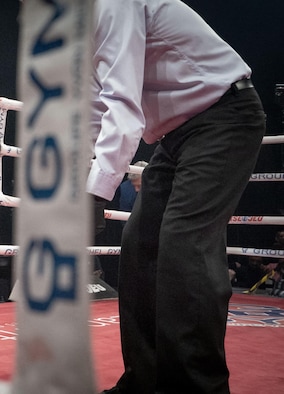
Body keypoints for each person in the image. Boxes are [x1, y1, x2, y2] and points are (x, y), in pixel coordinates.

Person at [88, 1, 267, 393]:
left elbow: (121, 104)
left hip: (223, 115)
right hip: (175, 137)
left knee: (184, 246)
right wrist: (76, 190)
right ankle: (144, 381)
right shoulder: (74, 27)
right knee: (139, 246)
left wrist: (96, 194)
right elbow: (92, 110)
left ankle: (199, 386)